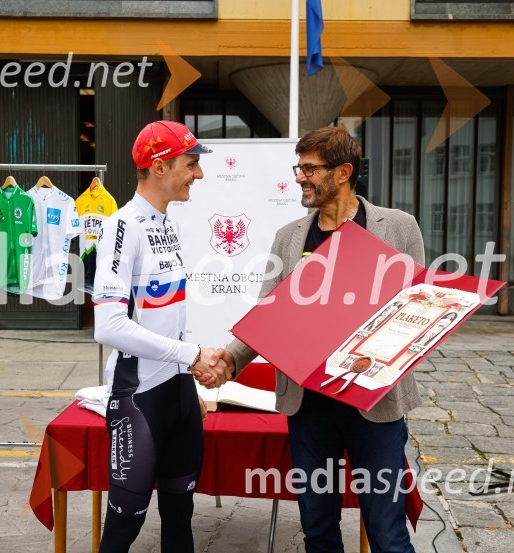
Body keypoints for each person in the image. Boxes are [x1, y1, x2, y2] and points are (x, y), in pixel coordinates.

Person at [209, 127, 425, 553]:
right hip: (308, 406)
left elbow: (414, 311)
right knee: (318, 530)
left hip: (374, 404)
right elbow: (266, 315)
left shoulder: (398, 228)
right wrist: (230, 362)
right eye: (299, 167)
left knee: (387, 532)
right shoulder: (289, 237)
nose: (300, 177)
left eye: (310, 169)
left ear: (343, 172)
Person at [92, 120, 229, 553]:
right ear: (158, 167)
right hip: (140, 398)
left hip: (178, 394)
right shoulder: (122, 226)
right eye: (191, 165)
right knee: (123, 530)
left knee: (180, 519)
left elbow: (162, 314)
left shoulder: (165, 223)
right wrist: (191, 354)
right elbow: (109, 326)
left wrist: (188, 369)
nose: (199, 174)